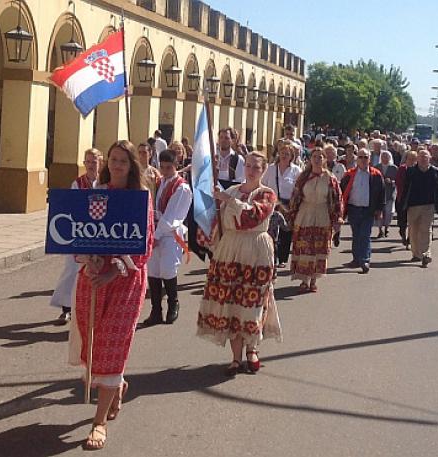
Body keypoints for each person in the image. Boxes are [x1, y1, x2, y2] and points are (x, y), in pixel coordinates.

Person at [72, 140, 154, 450]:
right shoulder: (98, 192)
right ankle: (116, 384)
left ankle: (99, 422)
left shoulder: (139, 199)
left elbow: (143, 245)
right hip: (93, 279)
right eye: (113, 159)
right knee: (93, 343)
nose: (117, 165)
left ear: (132, 165)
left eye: (123, 161)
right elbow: (82, 232)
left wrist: (114, 269)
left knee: (112, 347)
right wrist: (88, 257)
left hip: (125, 279)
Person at [197, 152, 282, 377]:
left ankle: (252, 350)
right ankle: (235, 357)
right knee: (233, 301)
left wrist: (228, 201)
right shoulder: (233, 191)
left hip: (256, 249)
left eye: (257, 167)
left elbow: (251, 218)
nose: (252, 170)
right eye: (249, 166)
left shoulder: (267, 194)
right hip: (231, 248)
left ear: (263, 170)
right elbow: (220, 222)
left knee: (253, 300)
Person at [49, 148, 102, 325]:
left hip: (101, 233)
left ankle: (92, 311)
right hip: (81, 231)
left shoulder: (105, 183)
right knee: (72, 269)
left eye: (94, 161)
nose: (91, 165)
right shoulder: (78, 183)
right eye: (88, 161)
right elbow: (71, 205)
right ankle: (66, 309)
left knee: (98, 271)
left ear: (100, 162)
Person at [142, 148, 192, 326]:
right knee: (153, 270)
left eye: (169, 167)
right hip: (154, 230)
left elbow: (172, 216)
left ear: (176, 165)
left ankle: (173, 303)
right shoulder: (159, 182)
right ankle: (156, 310)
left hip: (170, 233)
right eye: (162, 167)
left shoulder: (182, 188)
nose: (164, 171)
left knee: (167, 269)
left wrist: (157, 235)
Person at [287, 147, 343, 292]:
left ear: (325, 159)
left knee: (318, 248)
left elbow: (337, 199)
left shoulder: (330, 179)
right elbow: (295, 197)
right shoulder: (303, 177)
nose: (317, 160)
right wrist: (291, 215)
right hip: (305, 214)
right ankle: (304, 280)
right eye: (314, 157)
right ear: (310, 159)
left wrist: (337, 218)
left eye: (320, 157)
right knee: (304, 247)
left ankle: (313, 280)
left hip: (322, 215)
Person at [340, 148, 384, 274]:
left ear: (370, 159)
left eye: (366, 157)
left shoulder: (376, 174)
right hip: (353, 208)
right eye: (361, 157)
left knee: (365, 235)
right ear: (357, 159)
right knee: (356, 235)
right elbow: (342, 191)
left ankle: (365, 260)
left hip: (368, 210)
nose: (363, 160)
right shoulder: (349, 174)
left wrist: (379, 209)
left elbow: (381, 194)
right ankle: (356, 259)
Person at [262, 140, 301, 268]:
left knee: (286, 231)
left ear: (292, 156)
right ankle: (272, 256)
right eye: (282, 153)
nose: (284, 156)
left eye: (287, 154)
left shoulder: (296, 171)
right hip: (272, 202)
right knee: (272, 231)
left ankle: (283, 258)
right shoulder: (271, 168)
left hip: (288, 204)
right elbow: (263, 184)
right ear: (278, 154)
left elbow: (299, 188)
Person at [404, 150, 438, 267]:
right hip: (413, 205)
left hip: (428, 205)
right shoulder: (410, 171)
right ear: (417, 159)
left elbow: (437, 189)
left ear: (429, 158)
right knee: (414, 230)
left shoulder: (435, 172)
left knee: (426, 229)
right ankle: (416, 254)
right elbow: (405, 188)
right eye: (421, 157)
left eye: (426, 157)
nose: (423, 159)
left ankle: (426, 254)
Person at [395, 149, 418, 248]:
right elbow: (398, 182)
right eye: (410, 159)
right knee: (402, 221)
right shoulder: (402, 169)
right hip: (402, 198)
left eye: (414, 159)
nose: (412, 161)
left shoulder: (418, 170)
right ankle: (403, 234)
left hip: (414, 199)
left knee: (412, 221)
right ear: (406, 159)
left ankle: (409, 239)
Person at [375, 150, 398, 238]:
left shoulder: (394, 168)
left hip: (390, 193)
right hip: (379, 193)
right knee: (379, 212)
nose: (385, 158)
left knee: (389, 212)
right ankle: (380, 229)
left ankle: (387, 227)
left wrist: (391, 181)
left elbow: (398, 180)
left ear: (389, 157)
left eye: (386, 156)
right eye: (383, 156)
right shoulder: (377, 167)